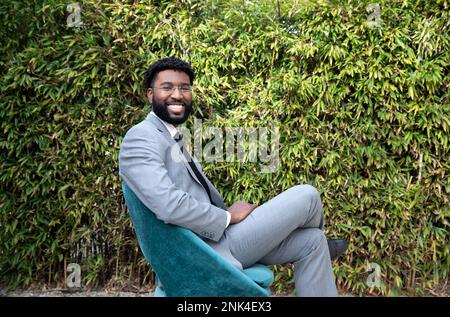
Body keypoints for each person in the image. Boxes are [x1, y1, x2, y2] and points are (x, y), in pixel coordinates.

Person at [119, 57, 347, 296]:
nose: (177, 94)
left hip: (218, 240)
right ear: (149, 94)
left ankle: (323, 241)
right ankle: (325, 240)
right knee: (307, 195)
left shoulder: (171, 136)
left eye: (184, 88)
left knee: (312, 241)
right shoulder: (141, 137)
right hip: (206, 250)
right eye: (167, 87)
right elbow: (167, 205)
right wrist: (227, 217)